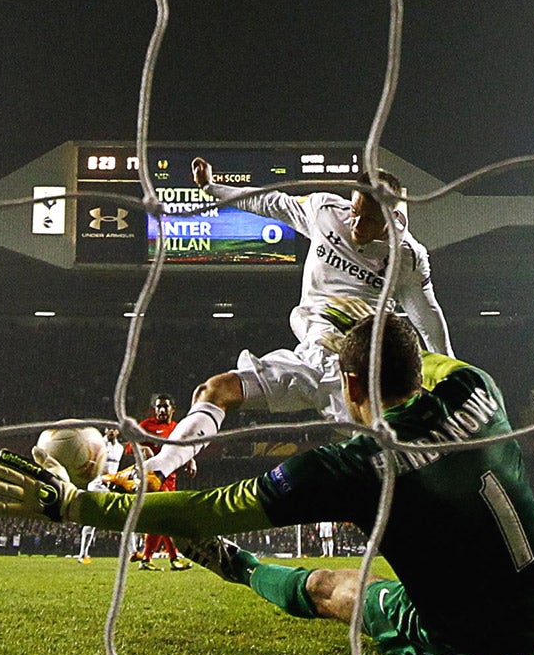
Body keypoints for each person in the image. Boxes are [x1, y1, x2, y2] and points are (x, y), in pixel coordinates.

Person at [0, 308, 534, 655]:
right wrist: (374, 333)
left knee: (332, 587)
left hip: (483, 636)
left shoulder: (353, 464)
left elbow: (204, 508)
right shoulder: (476, 383)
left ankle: (241, 568)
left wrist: (71, 504)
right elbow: (427, 360)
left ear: (350, 385)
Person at [108, 160, 453, 494]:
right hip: (309, 358)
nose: (357, 223)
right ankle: (155, 471)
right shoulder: (325, 212)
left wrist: (453, 373)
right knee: (214, 390)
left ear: (392, 215)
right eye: (356, 209)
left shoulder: (407, 256)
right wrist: (213, 188)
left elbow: (427, 315)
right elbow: (271, 202)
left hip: (357, 375)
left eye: (370, 218)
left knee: (396, 461)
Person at [127, 395, 193, 571]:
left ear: (173, 409)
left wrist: (190, 460)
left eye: (165, 407)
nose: (161, 410)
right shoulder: (147, 426)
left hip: (171, 478)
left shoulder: (176, 428)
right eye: (158, 407)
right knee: (167, 516)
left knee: (160, 521)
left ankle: (147, 558)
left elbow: (184, 449)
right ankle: (173, 557)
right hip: (152, 479)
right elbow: (129, 446)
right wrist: (141, 448)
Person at [78, 428, 125, 564]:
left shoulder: (120, 448)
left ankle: (131, 552)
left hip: (110, 487)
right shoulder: (97, 444)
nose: (111, 431)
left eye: (114, 429)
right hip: (96, 485)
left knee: (122, 517)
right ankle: (83, 554)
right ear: (105, 430)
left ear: (118, 431)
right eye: (109, 429)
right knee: (91, 521)